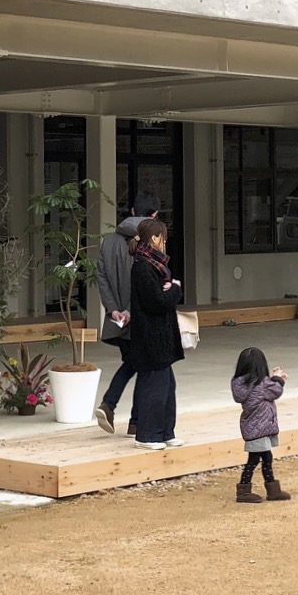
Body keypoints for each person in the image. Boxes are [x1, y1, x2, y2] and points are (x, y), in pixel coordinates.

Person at [93, 193, 159, 434]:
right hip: (140, 317)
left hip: (117, 320)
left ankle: (119, 411)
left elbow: (101, 277)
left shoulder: (108, 242)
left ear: (132, 211)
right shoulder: (150, 242)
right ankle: (126, 416)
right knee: (144, 367)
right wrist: (131, 311)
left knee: (134, 363)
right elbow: (146, 281)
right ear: (154, 215)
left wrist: (113, 309)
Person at [126, 218, 185, 450]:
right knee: (155, 388)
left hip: (159, 338)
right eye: (163, 238)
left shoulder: (153, 265)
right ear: (154, 238)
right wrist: (175, 290)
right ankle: (147, 435)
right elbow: (156, 302)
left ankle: (166, 432)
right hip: (150, 338)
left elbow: (160, 297)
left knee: (167, 387)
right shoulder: (143, 266)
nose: (165, 243)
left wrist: (170, 289)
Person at [230, 347, 290, 503]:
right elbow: (276, 390)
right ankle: (245, 491)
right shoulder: (262, 384)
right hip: (261, 428)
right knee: (255, 459)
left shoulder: (238, 383)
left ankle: (272, 489)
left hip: (251, 427)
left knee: (264, 457)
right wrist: (278, 378)